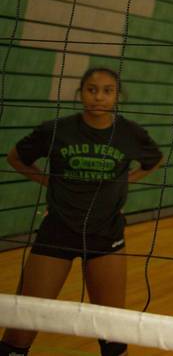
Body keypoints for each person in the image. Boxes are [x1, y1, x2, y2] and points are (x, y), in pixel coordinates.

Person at [1, 67, 163, 356]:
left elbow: (154, 160)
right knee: (19, 328)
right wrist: (47, 180)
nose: (99, 96)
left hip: (106, 234)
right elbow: (15, 158)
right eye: (91, 89)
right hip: (58, 230)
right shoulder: (57, 130)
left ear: (118, 95)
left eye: (107, 90)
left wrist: (123, 181)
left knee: (113, 333)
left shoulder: (129, 133)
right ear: (81, 93)